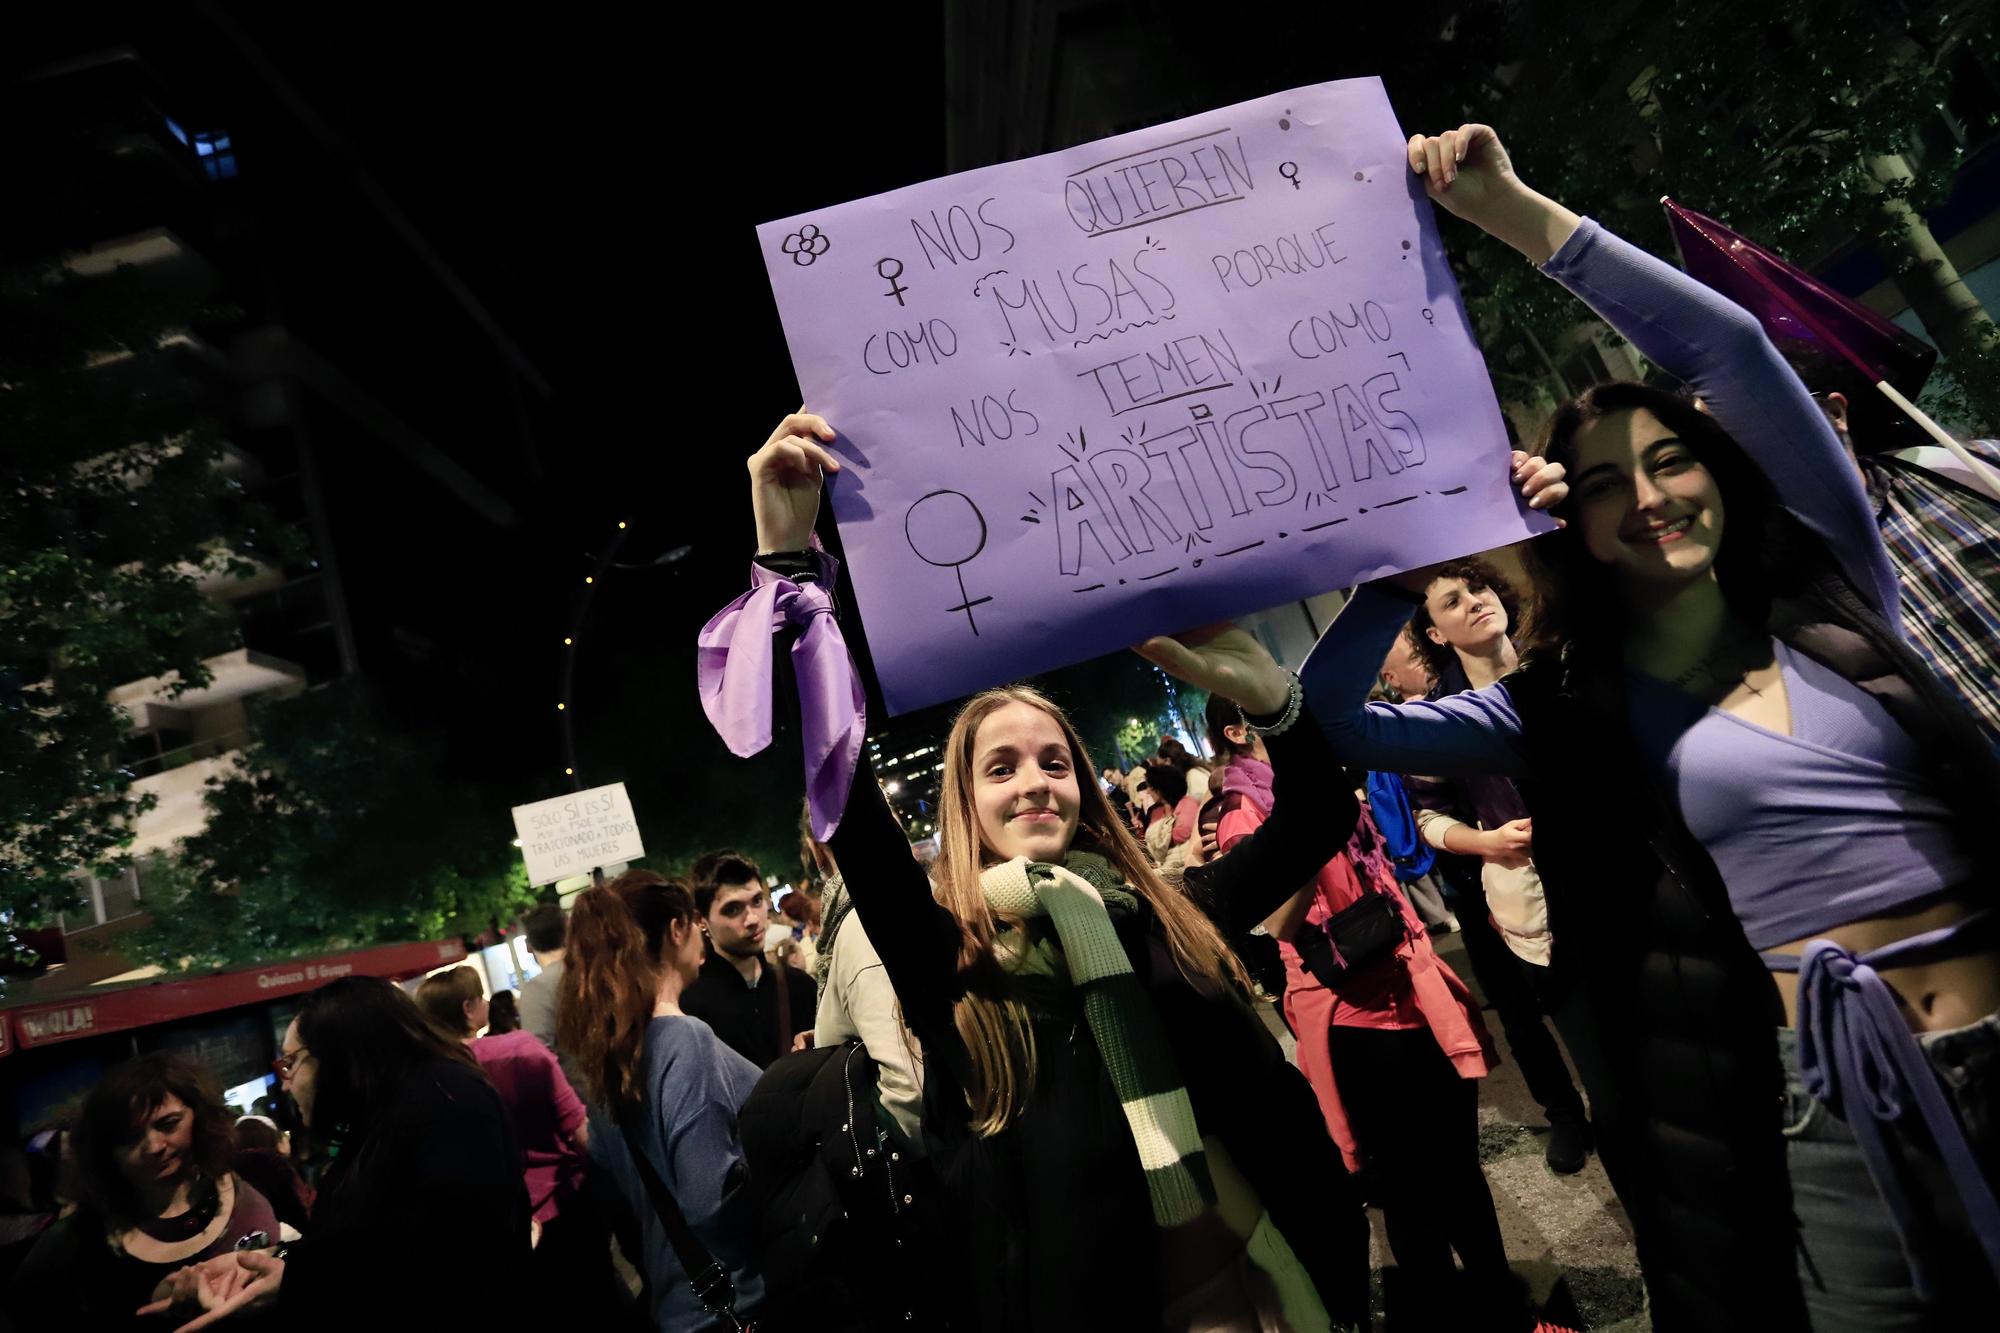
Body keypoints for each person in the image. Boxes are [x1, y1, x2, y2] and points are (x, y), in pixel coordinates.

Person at [1304, 121, 2000, 1329]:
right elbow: (1335, 720)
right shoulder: (1565, 709)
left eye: (1669, 458)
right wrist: (1406, 559)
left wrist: (1515, 213)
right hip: (1827, 1116)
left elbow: (1724, 344)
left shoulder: (1834, 584)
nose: (1651, 495)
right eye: (1606, 483)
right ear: (1570, 525)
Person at [741, 410, 1396, 1332]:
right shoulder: (945, 956)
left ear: (1084, 787)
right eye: (999, 768)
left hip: (1271, 1290)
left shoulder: (1175, 908)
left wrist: (1277, 701)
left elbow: (1322, 814)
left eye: (1054, 761)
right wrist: (789, 572)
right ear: (966, 807)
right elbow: (842, 794)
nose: (1035, 782)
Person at [1203, 690, 1522, 1327]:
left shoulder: (1318, 780)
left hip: (1413, 982)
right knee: (1406, 1184)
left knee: (1458, 1161)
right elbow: (1276, 922)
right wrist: (1313, 831)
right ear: (1239, 731)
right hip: (1352, 1016)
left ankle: (1501, 1296)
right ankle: (1445, 1311)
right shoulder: (1242, 810)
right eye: (1269, 710)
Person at [135, 976, 533, 1330]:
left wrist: (295, 1280)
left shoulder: (447, 1100)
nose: (286, 1085)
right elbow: (363, 1243)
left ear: (342, 1053)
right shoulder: (388, 1118)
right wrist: (275, 1260)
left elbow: (434, 1259)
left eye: (291, 1064)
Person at [1402, 559, 1597, 1175]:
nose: (1474, 603)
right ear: (1436, 633)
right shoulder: (1440, 714)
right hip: (1519, 892)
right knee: (1541, 1019)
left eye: (1478, 588)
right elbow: (1427, 814)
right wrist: (1486, 843)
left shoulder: (1562, 661)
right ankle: (1568, 1116)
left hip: (1608, 870)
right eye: (1452, 601)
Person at [557, 869, 765, 1332]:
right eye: (696, 920)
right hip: (734, 1301)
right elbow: (712, 1202)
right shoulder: (684, 1040)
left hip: (680, 1299)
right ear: (677, 929)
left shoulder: (611, 1055)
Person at [1783, 342, 2000, 752]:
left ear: (1835, 413)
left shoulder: (1971, 470)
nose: (1760, 436)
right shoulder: (1780, 592)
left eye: (1776, 411)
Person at [5, 1055, 278, 1332]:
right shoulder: (76, 1239)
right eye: (130, 1137)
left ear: (199, 1117)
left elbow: (313, 1251)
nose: (153, 1146)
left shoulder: (256, 1172)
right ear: (105, 1151)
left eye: (168, 1124)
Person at [413, 964, 614, 1315]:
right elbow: (576, 1126)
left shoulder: (432, 1081)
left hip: (501, 1229)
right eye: (480, 997)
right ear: (468, 1008)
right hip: (567, 1205)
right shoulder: (520, 1048)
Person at [683, 851, 819, 1068]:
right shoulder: (690, 1010)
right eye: (733, 909)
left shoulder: (800, 987)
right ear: (701, 920)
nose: (753, 919)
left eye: (757, 901)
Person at [227, 1117, 311, 1237]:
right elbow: (303, 1213)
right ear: (273, 1140)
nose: (287, 1138)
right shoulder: (278, 1168)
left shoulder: (230, 1175)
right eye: (283, 1134)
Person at [516, 903, 569, 1053]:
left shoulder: (538, 988)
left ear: (528, 946)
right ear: (568, 934)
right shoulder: (591, 971)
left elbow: (538, 1055)